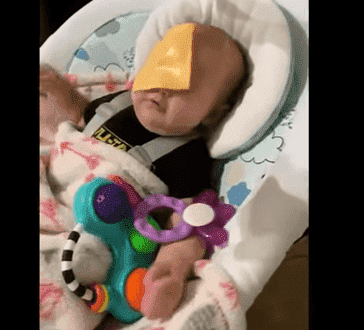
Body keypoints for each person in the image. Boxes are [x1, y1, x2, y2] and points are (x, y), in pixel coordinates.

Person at [40, 21, 247, 320]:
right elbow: (79, 114)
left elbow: (184, 222)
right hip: (54, 182)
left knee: (69, 270)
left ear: (213, 113)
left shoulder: (187, 155)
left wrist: (170, 268)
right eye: (160, 66)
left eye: (184, 81)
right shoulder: (117, 102)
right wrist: (58, 89)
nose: (162, 85)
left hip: (92, 229)